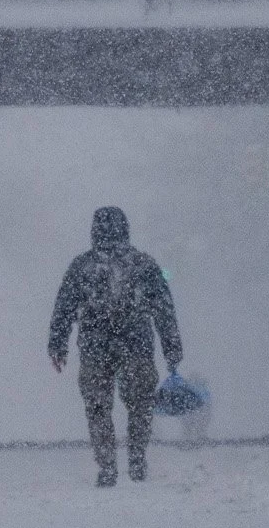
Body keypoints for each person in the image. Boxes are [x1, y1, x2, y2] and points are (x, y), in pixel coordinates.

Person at [49, 206, 182, 487]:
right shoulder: (144, 265)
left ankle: (107, 465)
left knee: (98, 407)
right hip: (137, 346)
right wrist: (172, 350)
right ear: (126, 230)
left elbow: (65, 307)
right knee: (140, 405)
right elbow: (164, 310)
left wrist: (58, 344)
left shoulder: (82, 266)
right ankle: (136, 458)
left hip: (96, 347)